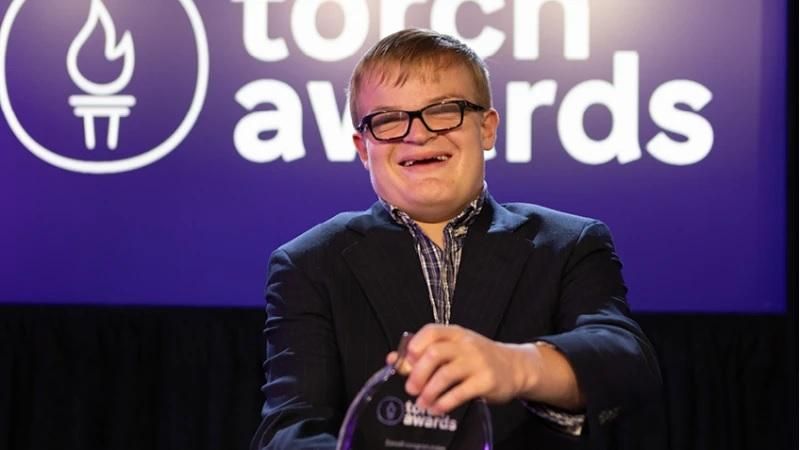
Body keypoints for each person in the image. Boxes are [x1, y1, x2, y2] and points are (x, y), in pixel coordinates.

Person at [251, 29, 664, 450]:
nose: (418, 134)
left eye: (444, 111)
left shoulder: (569, 244)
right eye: (390, 119)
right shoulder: (310, 262)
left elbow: (626, 363)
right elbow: (289, 429)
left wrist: (513, 365)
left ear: (487, 128)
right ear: (363, 147)